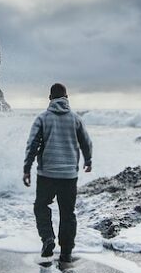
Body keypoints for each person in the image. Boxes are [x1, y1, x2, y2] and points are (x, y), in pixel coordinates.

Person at [23, 83, 93, 262]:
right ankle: (66, 252)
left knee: (41, 206)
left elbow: (32, 145)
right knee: (68, 213)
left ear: (50, 99)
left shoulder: (42, 118)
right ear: (67, 98)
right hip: (69, 175)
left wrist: (27, 169)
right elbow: (86, 142)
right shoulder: (75, 119)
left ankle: (47, 238)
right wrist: (88, 160)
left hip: (47, 174)